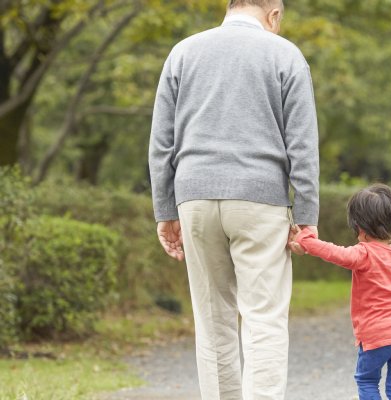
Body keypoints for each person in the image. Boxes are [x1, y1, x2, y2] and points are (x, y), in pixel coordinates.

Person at [147, 0, 319, 399]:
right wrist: (307, 213)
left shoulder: (183, 53)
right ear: (273, 14)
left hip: (194, 196)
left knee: (213, 320)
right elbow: (303, 147)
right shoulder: (286, 55)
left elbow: (161, 145)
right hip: (261, 200)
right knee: (264, 318)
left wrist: (165, 209)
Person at [289, 184, 391, 400]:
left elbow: (333, 252)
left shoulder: (364, 253)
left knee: (367, 381)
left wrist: (306, 240)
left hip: (377, 335)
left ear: (360, 228)